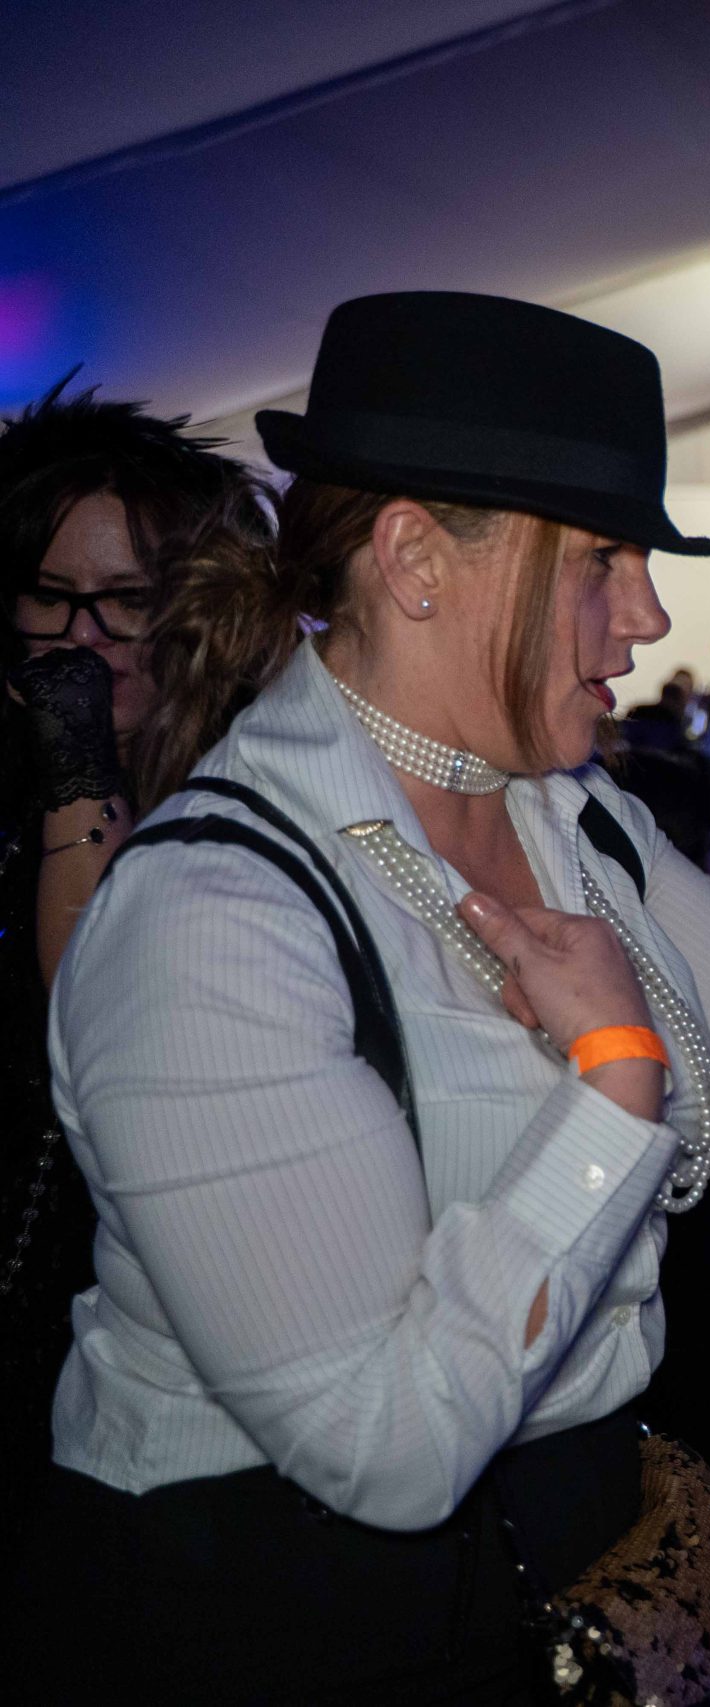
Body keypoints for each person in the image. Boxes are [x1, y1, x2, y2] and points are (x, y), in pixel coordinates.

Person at [6, 292, 710, 1702]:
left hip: (549, 1554)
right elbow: (381, 1448)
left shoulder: (572, 818)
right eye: (600, 560)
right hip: (283, 1614)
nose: (648, 615)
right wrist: (613, 1080)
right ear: (415, 560)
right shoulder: (212, 917)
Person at [0, 380, 274, 1497]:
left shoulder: (253, 799)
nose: (85, 639)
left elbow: (97, 1018)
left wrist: (76, 769)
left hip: (149, 1347)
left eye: (127, 602)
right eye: (52, 596)